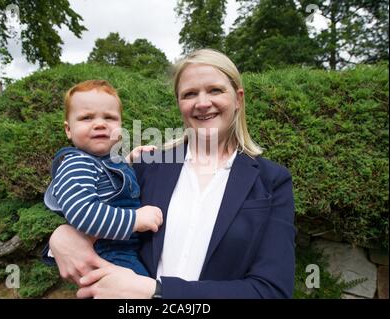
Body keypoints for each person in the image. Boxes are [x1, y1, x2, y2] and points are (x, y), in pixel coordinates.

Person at [47, 49, 296, 299]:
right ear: (179, 103)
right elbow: (95, 207)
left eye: (215, 90)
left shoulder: (272, 181)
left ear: (238, 98)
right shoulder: (146, 165)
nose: (202, 103)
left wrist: (156, 291)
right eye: (189, 94)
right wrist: (60, 237)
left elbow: (272, 291)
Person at [43, 79, 163, 277]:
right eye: (86, 118)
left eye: (109, 117)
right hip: (107, 252)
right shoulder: (76, 164)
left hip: (123, 250)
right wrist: (135, 219)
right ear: (68, 130)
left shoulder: (102, 161)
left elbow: (106, 177)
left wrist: (129, 161)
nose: (100, 124)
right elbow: (82, 212)